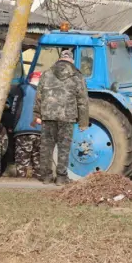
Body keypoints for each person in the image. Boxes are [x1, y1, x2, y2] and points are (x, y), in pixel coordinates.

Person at [33, 49, 89, 185]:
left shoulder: (46, 74)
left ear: (59, 59)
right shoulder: (77, 76)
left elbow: (39, 96)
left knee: (46, 147)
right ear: (71, 60)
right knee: (64, 148)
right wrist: (83, 122)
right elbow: (83, 100)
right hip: (67, 117)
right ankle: (61, 178)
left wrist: (36, 115)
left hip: (48, 116)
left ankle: (46, 177)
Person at [10, 82, 41, 179]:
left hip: (23, 130)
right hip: (40, 131)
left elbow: (14, 108)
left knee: (22, 162)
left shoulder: (21, 89)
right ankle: (37, 184)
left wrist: (12, 125)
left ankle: (21, 184)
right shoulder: (48, 90)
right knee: (38, 161)